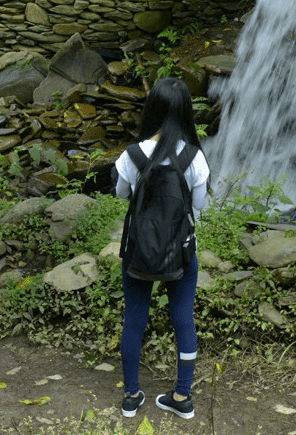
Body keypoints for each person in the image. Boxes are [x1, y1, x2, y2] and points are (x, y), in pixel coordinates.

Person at [114, 76, 210, 420]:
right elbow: (200, 205)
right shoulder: (194, 158)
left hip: (138, 251)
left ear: (151, 108)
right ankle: (182, 396)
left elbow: (121, 195)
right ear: (186, 111)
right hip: (181, 253)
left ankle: (130, 396)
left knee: (134, 321)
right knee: (184, 320)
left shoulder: (133, 155)